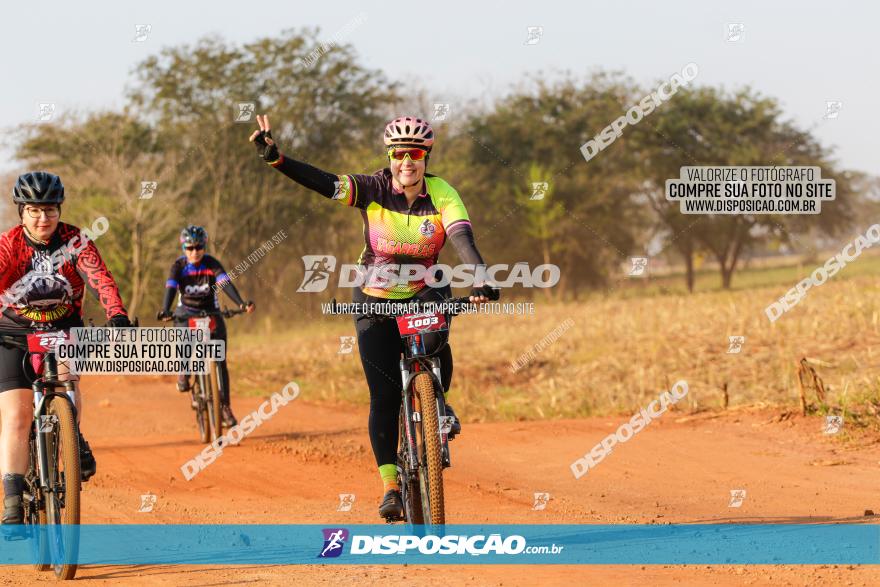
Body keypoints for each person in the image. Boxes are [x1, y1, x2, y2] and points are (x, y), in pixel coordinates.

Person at [250, 114, 499, 518]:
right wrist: (279, 160)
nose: (407, 162)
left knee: (437, 335)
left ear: (425, 157)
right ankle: (390, 486)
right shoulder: (371, 187)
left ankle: (439, 403)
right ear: (390, 157)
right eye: (400, 154)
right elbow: (324, 182)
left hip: (424, 287)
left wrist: (482, 277)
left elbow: (461, 239)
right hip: (373, 293)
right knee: (383, 395)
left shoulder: (442, 193)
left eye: (415, 154)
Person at [0, 171, 132, 526]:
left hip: (62, 328)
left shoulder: (76, 241)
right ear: (22, 212)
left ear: (60, 210)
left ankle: (73, 434)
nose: (44, 219)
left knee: (67, 380)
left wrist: (117, 313)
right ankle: (12, 498)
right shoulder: (9, 244)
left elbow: (100, 278)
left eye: (51, 210)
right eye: (34, 211)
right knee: (16, 415)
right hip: (13, 331)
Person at [157, 225, 254, 427]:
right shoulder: (178, 266)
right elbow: (171, 288)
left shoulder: (212, 264)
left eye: (199, 247)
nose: (195, 252)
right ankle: (184, 370)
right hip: (187, 312)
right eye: (190, 248)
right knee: (185, 344)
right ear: (183, 247)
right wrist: (165, 309)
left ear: (204, 246)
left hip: (211, 312)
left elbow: (225, 283)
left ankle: (225, 407)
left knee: (220, 361)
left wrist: (241, 303)